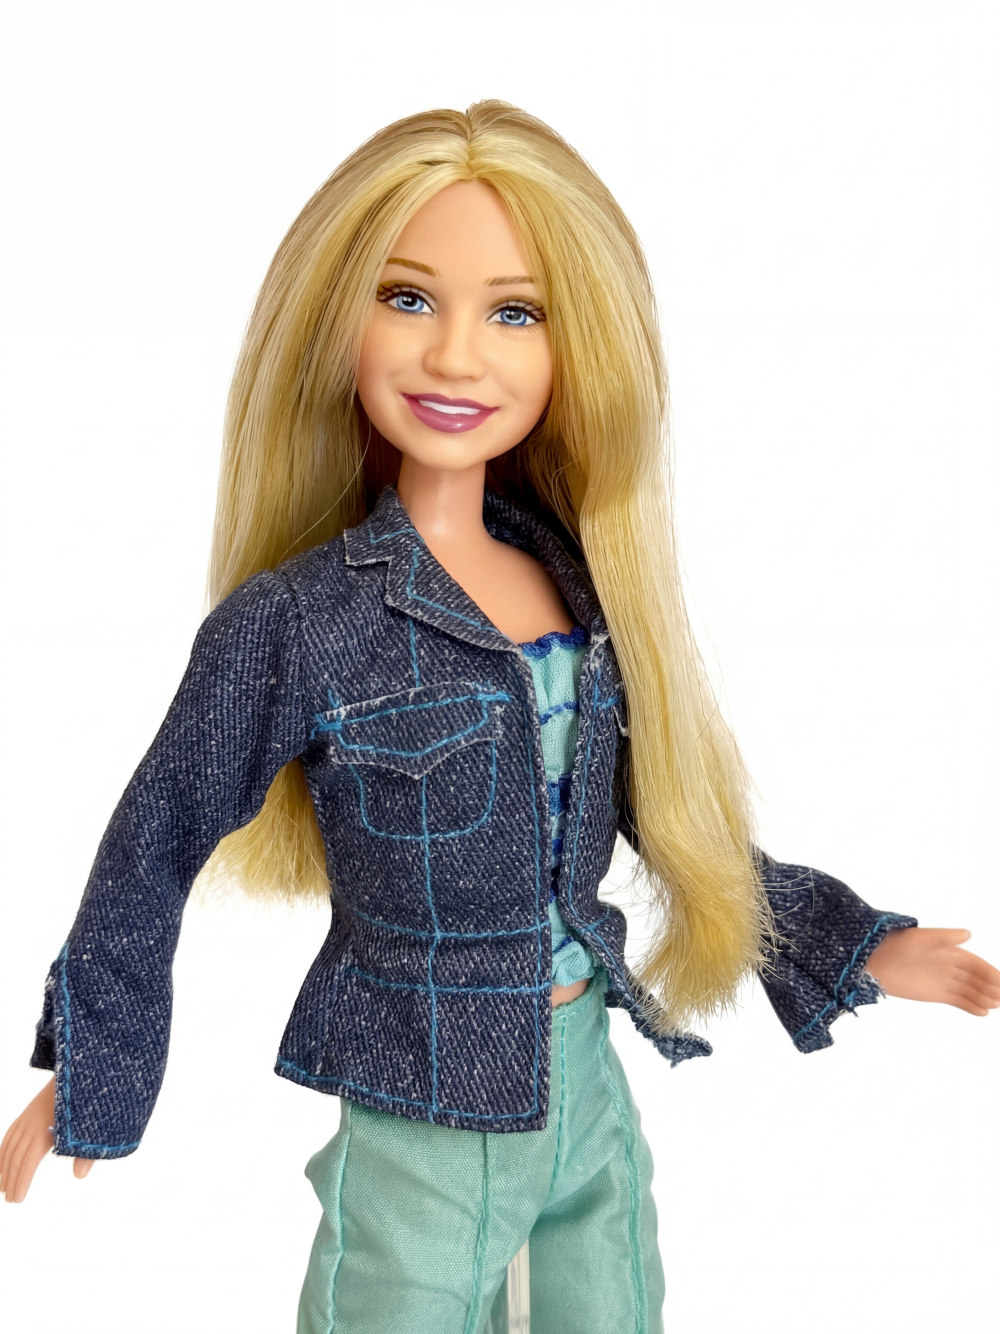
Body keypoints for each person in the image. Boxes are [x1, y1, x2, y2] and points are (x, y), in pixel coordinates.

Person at [2, 102, 998, 1334]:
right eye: (407, 298)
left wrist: (849, 945)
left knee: (614, 1308)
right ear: (335, 320)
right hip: (421, 1103)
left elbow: (669, 821)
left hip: (585, 1083)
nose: (457, 355)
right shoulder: (303, 620)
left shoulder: (579, 586)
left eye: (514, 313)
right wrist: (95, 1068)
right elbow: (156, 834)